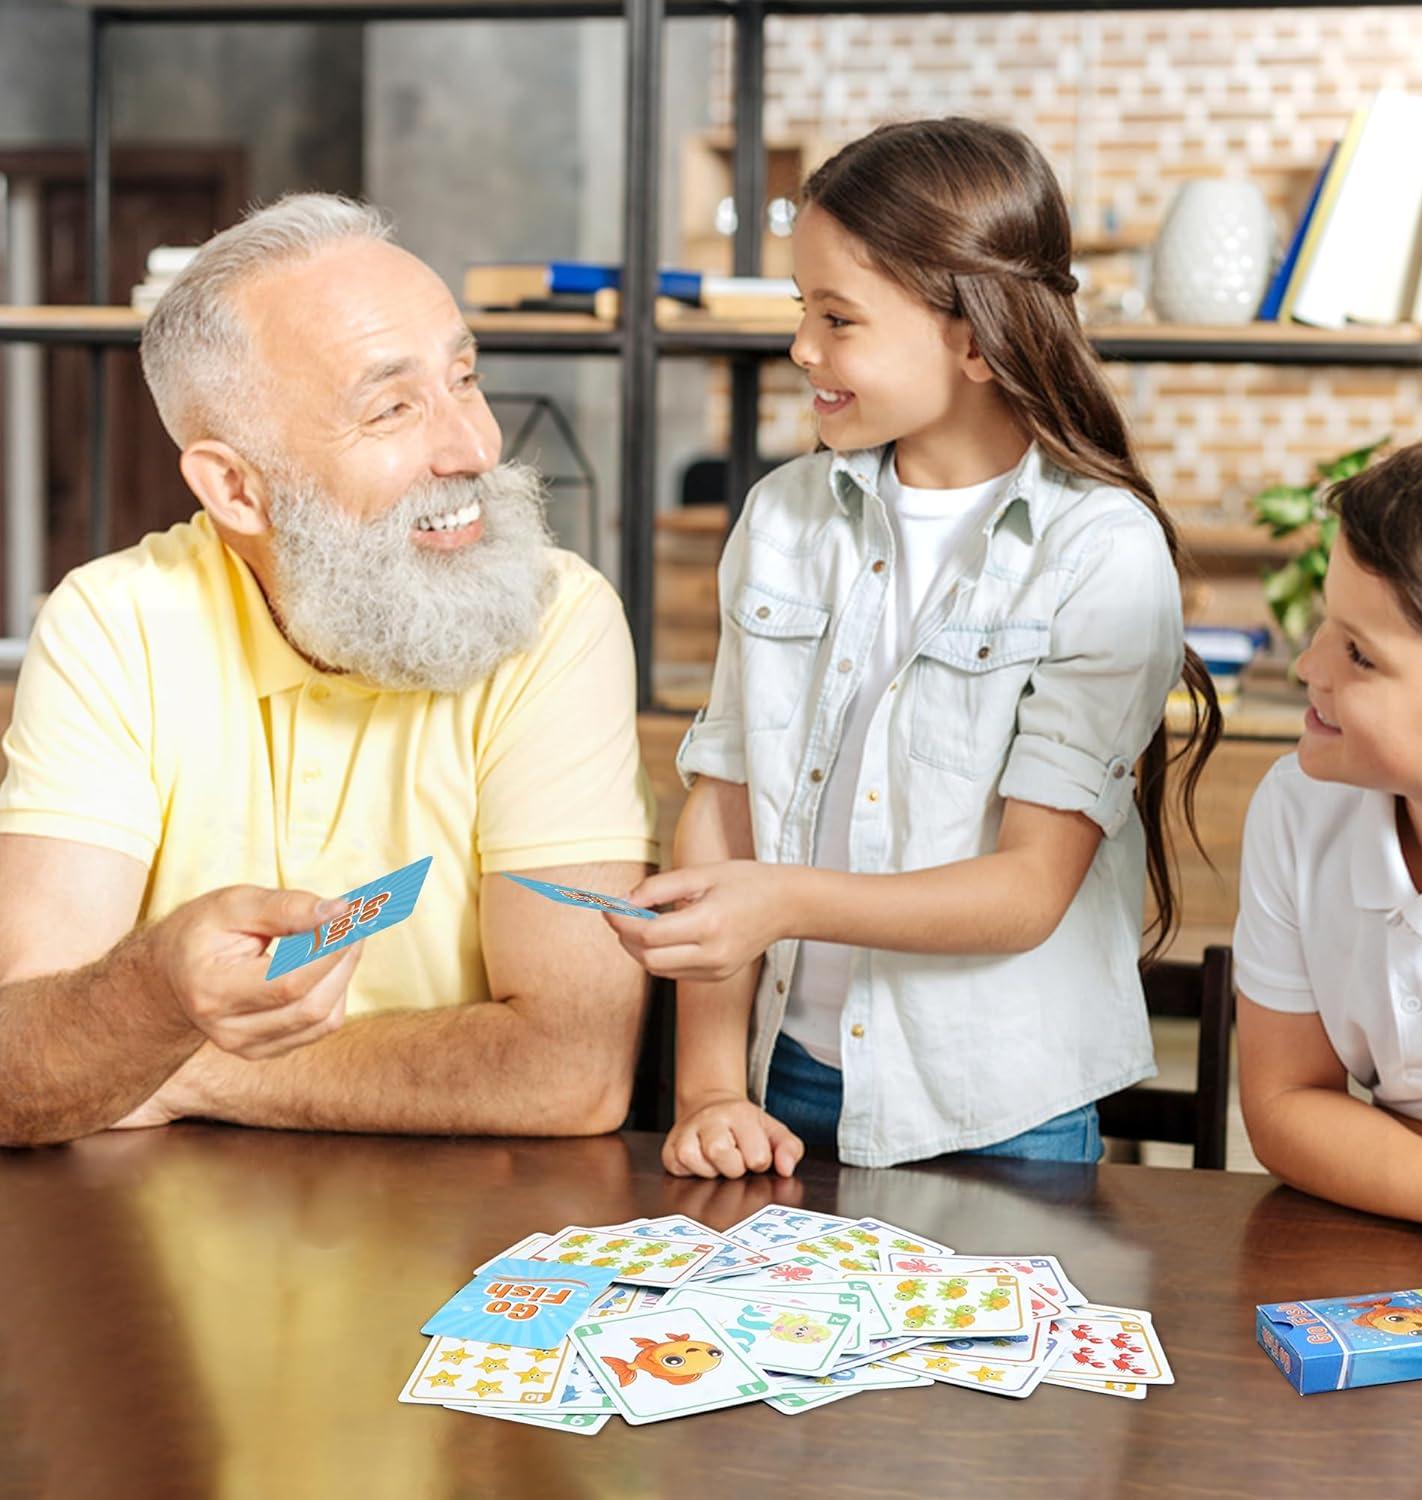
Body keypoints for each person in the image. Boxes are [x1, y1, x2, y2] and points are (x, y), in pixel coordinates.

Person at [606, 119, 1220, 1175]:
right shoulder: (783, 517)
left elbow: (1028, 891)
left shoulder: (1101, 552)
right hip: (783, 1077)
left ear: (976, 339)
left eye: (839, 318)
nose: (803, 349)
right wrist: (709, 1087)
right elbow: (726, 796)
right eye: (804, 310)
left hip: (1000, 1109)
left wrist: (783, 899)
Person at [0, 193, 657, 1148]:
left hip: (459, 1241)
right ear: (235, 488)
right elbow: (19, 1067)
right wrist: (153, 984)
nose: (475, 445)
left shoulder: (557, 613)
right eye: (391, 407)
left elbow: (569, 1072)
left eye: (464, 377)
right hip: (143, 1248)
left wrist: (170, 1058)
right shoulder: (113, 620)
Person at [1234, 434, 1422, 1257]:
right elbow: (1284, 1107)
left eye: (1360, 655)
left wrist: (1374, 1148)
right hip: (1411, 1239)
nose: (1309, 666)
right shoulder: (1299, 805)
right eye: (1327, 624)